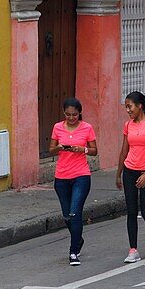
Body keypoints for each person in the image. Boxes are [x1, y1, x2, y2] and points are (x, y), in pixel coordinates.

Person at [48, 97, 97, 266]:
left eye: (74, 115)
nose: (71, 118)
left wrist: (81, 149)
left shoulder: (87, 128)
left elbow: (94, 150)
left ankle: (73, 251)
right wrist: (60, 148)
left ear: (79, 113)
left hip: (81, 176)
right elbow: (51, 149)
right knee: (66, 216)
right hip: (61, 177)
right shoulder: (57, 127)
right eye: (68, 115)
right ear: (64, 114)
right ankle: (78, 239)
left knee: (75, 212)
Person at [116, 91, 145, 263]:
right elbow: (124, 151)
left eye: (130, 106)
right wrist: (118, 174)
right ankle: (133, 250)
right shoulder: (128, 125)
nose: (128, 110)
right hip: (130, 170)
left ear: (139, 106)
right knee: (131, 210)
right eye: (126, 107)